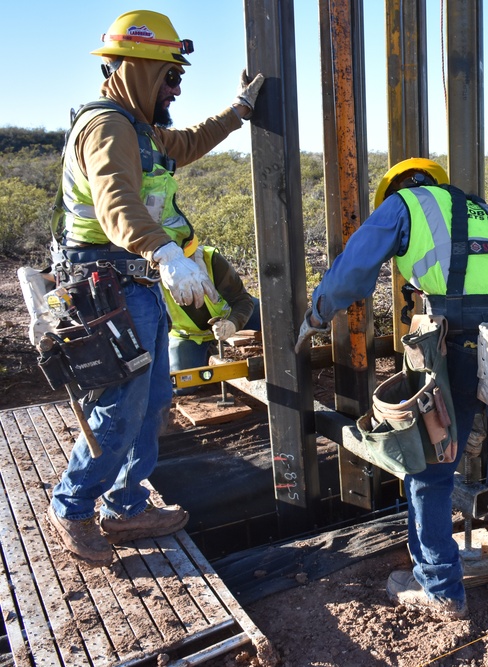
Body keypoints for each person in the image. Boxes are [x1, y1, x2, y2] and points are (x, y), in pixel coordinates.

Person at [46, 10, 264, 567]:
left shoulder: (136, 125)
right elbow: (113, 202)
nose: (175, 87)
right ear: (140, 70)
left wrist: (237, 114)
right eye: (170, 76)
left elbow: (183, 144)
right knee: (120, 407)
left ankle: (126, 504)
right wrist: (164, 250)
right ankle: (73, 506)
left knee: (153, 402)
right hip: (108, 283)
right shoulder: (107, 127)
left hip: (134, 282)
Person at [296, 158, 488, 620]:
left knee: (432, 460)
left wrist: (316, 314)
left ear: (396, 188)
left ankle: (439, 587)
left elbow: (354, 270)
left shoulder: (401, 206)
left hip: (466, 335)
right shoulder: (475, 208)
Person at [164, 244, 261, 395]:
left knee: (275, 315)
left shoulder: (210, 259)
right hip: (189, 337)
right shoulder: (150, 279)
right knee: (182, 386)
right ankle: (206, 350)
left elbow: (242, 300)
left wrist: (233, 323)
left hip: (231, 314)